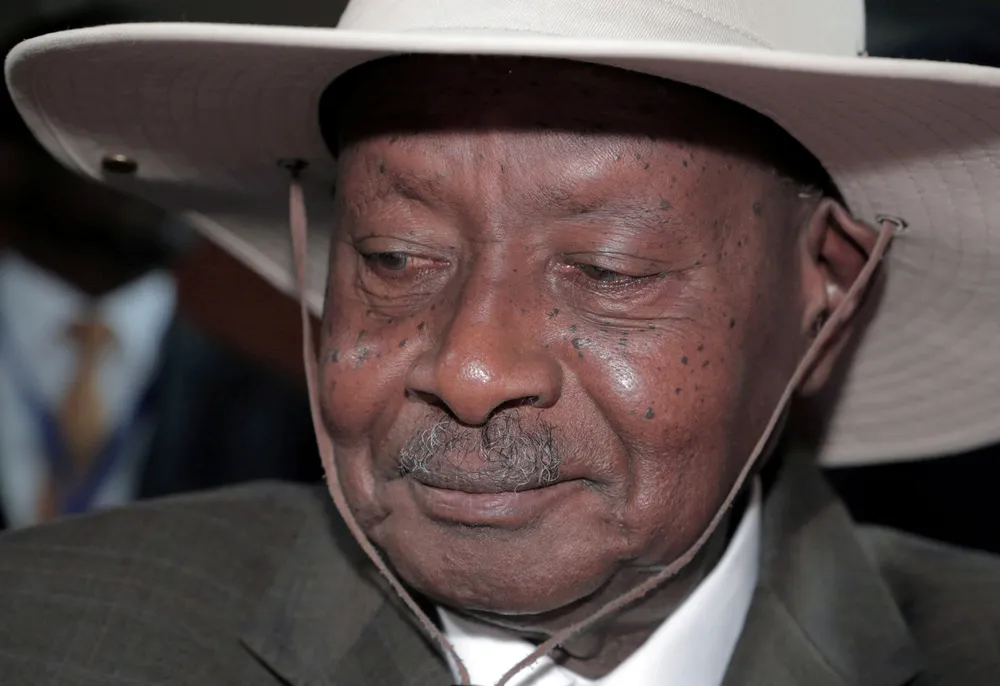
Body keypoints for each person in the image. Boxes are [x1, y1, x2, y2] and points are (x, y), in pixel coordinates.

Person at [3, 1, 1000, 685]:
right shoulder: (42, 633)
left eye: (607, 270)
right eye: (394, 258)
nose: (471, 368)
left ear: (826, 291)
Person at [0, 1, 322, 530]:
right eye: (120, 127)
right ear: (11, 158)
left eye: (183, 136)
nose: (167, 165)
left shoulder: (281, 416)